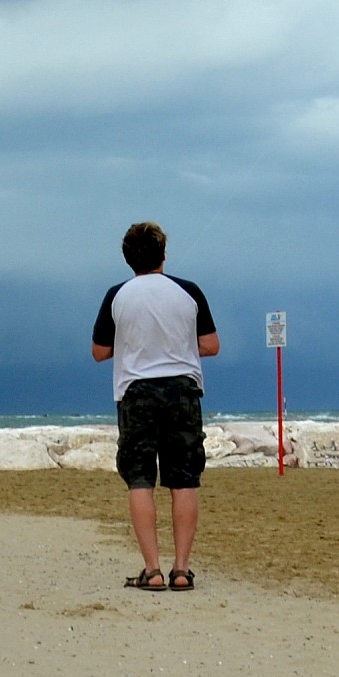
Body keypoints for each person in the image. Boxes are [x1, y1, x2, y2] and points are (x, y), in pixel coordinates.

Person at [90, 221, 217, 591]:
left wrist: (133, 344)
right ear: (163, 254)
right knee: (184, 479)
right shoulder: (188, 291)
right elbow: (211, 345)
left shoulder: (117, 295)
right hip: (183, 390)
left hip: (137, 391)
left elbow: (99, 351)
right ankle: (182, 569)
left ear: (128, 259)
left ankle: (153, 569)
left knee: (140, 479)